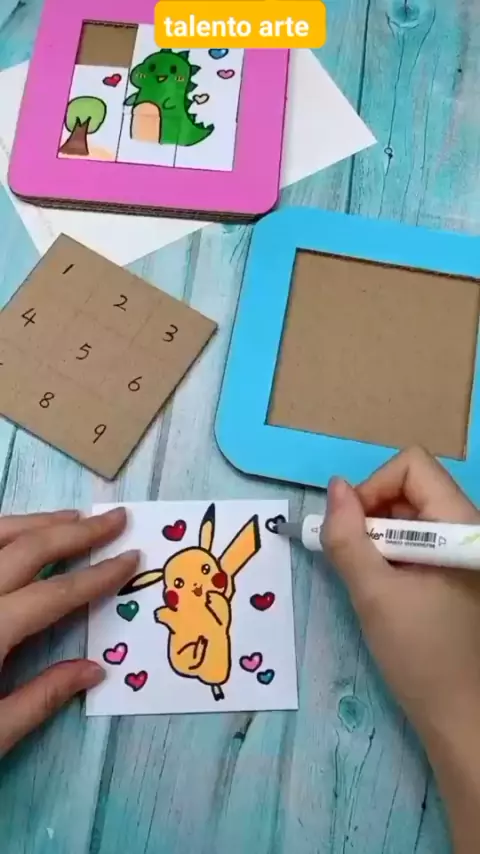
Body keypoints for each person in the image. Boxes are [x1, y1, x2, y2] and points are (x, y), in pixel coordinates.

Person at [0, 448, 478, 852]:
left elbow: (217, 610)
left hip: (211, 655)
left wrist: (457, 706)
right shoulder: (187, 605)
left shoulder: (214, 602)